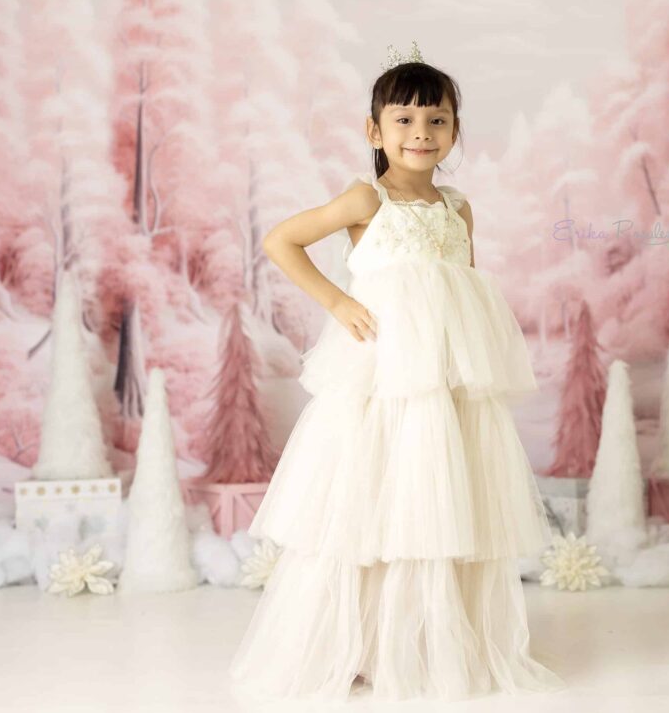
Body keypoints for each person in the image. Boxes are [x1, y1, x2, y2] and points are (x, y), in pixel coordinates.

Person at [227, 43, 567, 702]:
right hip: (385, 374)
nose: (421, 133)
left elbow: (458, 288)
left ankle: (426, 642)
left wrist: (466, 360)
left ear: (455, 131)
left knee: (441, 501)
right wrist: (337, 301)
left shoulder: (458, 208)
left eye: (437, 120)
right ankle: (356, 643)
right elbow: (281, 240)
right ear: (374, 130)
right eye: (404, 120)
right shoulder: (367, 197)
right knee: (376, 498)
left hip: (444, 378)